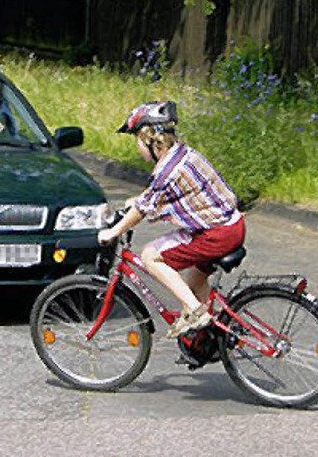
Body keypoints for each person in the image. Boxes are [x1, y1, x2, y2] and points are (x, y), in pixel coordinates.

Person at [97, 101, 245, 338]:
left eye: (136, 139)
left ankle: (197, 312)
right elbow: (158, 194)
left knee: (150, 256)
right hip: (231, 225)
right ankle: (209, 339)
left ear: (150, 138)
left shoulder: (167, 170)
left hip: (215, 235)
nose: (137, 147)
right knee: (194, 282)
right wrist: (137, 200)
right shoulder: (183, 155)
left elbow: (144, 209)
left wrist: (113, 231)